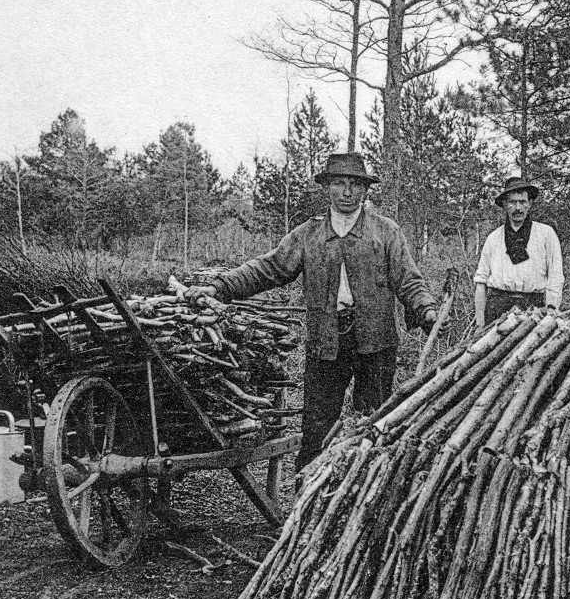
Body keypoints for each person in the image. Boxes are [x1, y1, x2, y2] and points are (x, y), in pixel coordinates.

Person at [184, 153, 439, 470]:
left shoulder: (385, 232)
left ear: (365, 191)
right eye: (339, 184)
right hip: (325, 345)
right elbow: (269, 268)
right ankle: (307, 496)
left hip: (376, 344)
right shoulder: (308, 235)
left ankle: (361, 495)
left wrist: (427, 309)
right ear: (327, 188)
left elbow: (409, 279)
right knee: (316, 428)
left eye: (354, 185)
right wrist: (219, 287)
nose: (347, 192)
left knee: (373, 424)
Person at [473, 176, 564, 327]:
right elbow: (481, 282)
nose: (518, 208)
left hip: (533, 309)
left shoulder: (546, 234)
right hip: (498, 308)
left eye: (522, 202)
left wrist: (550, 314)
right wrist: (480, 323)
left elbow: (555, 278)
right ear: (504, 204)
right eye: (512, 202)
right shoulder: (493, 238)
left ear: (530, 204)